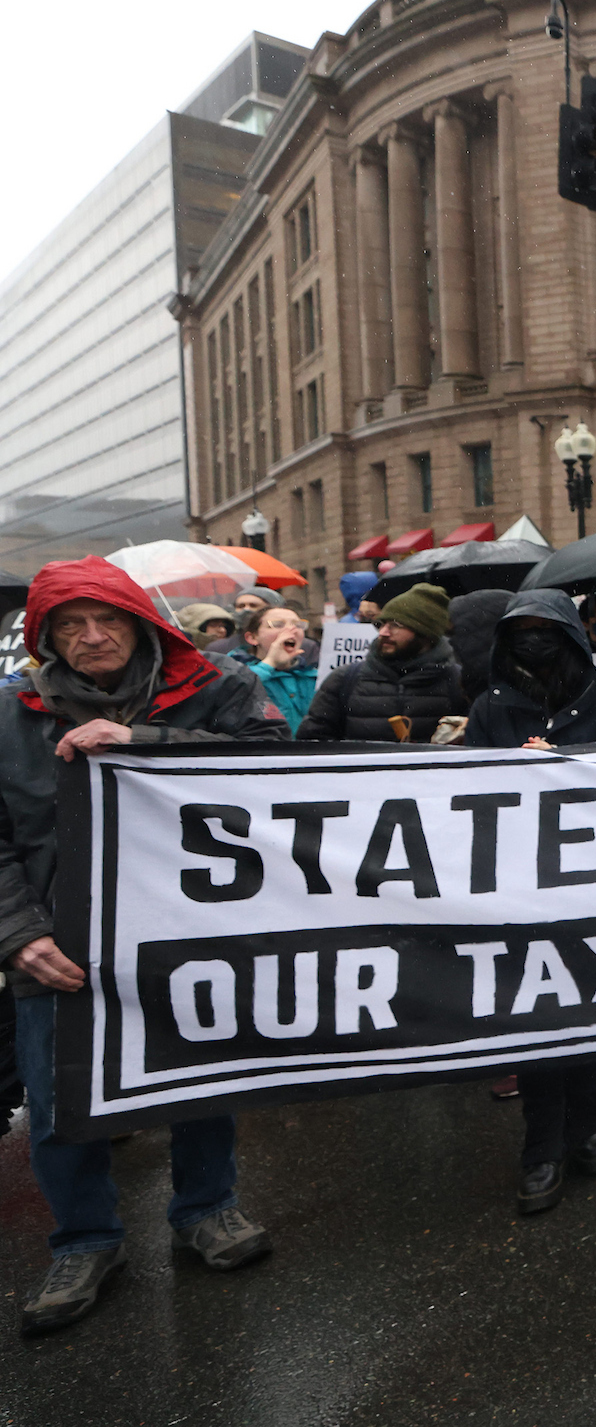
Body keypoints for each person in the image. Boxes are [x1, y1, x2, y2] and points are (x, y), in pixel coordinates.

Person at [0, 559, 285, 1336]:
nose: (92, 638)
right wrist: (17, 937)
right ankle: (85, 1239)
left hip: (186, 934)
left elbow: (276, 767)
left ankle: (209, 1208)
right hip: (55, 948)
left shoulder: (217, 689)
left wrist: (144, 741)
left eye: (108, 620)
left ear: (140, 622)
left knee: (201, 1076)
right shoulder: (10, 716)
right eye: (70, 625)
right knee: (60, 1103)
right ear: (47, 637)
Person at [462, 590, 596, 1211]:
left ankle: (590, 1123)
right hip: (521, 885)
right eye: (523, 631)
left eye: (546, 630)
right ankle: (541, 1145)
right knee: (537, 1014)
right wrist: (510, 771)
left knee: (588, 1005)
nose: (533, 641)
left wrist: (567, 765)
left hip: (593, 880)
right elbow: (462, 793)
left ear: (569, 634)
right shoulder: (490, 707)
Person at [300, 583, 467, 742]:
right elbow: (313, 743)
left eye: (396, 625)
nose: (383, 632)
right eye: (381, 624)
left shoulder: (458, 681)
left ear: (425, 633)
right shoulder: (345, 679)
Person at [245, 605, 317, 732]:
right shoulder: (235, 670)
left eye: (298, 625)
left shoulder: (313, 676)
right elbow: (238, 690)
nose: (291, 629)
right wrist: (270, 663)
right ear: (252, 638)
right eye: (277, 624)